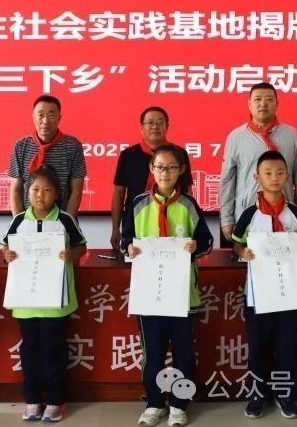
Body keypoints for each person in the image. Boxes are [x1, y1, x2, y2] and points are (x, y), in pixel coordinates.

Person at [121, 144, 214, 427]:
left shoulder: (189, 205)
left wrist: (195, 246)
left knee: (184, 354)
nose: (165, 173)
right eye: (160, 167)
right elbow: (126, 240)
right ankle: (153, 403)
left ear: (181, 170)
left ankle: (178, 404)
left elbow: (207, 241)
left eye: (171, 167)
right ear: (152, 169)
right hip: (149, 295)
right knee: (153, 353)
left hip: (182, 295)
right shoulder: (137, 204)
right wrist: (129, 249)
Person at [231, 150, 297, 420]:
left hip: (291, 292)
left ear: (287, 176)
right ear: (257, 177)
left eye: (279, 173)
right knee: (258, 346)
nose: (274, 178)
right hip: (257, 293)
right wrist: (243, 252)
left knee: (287, 345)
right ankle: (257, 394)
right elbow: (237, 244)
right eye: (268, 173)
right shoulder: (249, 215)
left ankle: (285, 394)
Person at [1, 165, 87, 423]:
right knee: (29, 351)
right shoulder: (19, 220)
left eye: (47, 190)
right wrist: (7, 255)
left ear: (56, 194)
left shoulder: (65, 220)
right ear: (27, 192)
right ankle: (32, 399)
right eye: (35, 190)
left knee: (54, 350)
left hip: (56, 302)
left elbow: (82, 247)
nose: (40, 195)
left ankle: (55, 401)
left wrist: (71, 254)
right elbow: (5, 246)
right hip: (25, 302)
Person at [219, 83, 297, 248]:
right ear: (249, 104)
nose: (263, 104)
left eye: (269, 99)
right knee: (249, 260)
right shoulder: (236, 137)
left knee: (285, 261)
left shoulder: (292, 135)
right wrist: (226, 219)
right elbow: (227, 181)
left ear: (277, 104)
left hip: (285, 217)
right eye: (257, 99)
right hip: (247, 217)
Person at [8, 95, 87, 218]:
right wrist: (20, 223)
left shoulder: (73, 146)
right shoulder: (21, 146)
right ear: (33, 117)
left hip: (62, 219)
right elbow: (15, 190)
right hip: (28, 221)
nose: (45, 121)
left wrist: (67, 223)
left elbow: (76, 191)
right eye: (40, 115)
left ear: (59, 118)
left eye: (51, 115)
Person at [110, 106, 172, 254]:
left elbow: (187, 191)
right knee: (136, 261)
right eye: (150, 122)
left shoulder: (178, 154)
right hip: (135, 220)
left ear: (167, 126)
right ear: (141, 128)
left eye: (160, 122)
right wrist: (115, 229)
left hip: (171, 220)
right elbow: (119, 193)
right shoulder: (128, 155)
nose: (155, 126)